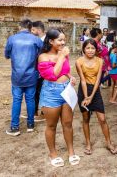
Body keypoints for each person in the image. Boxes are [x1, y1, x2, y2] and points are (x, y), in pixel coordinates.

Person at [37, 28, 79, 167]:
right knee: (51, 125)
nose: (63, 42)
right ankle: (53, 153)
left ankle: (71, 151)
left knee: (68, 123)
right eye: (60, 40)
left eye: (63, 39)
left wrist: (70, 76)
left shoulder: (63, 54)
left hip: (66, 90)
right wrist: (61, 57)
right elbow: (53, 75)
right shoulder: (43, 57)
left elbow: (64, 70)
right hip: (51, 92)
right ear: (50, 41)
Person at [76, 39, 117, 155]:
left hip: (95, 91)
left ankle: (109, 143)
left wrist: (91, 96)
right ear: (83, 49)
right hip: (83, 91)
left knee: (103, 119)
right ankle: (88, 144)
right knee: (86, 119)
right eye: (88, 48)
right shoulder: (79, 61)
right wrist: (86, 97)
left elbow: (98, 80)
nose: (90, 50)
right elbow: (83, 81)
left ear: (96, 49)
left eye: (93, 48)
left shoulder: (100, 61)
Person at [5, 19, 43, 136]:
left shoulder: (12, 39)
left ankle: (15, 127)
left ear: (19, 26)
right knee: (30, 99)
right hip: (32, 75)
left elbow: (7, 55)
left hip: (17, 76)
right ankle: (30, 125)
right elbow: (42, 54)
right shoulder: (36, 39)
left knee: (17, 100)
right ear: (30, 27)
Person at [31, 21, 46, 122]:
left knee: (43, 91)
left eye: (33, 29)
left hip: (45, 71)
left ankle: (44, 113)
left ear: (39, 30)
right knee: (36, 91)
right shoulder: (34, 40)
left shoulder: (47, 41)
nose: (31, 32)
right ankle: (34, 112)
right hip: (36, 71)